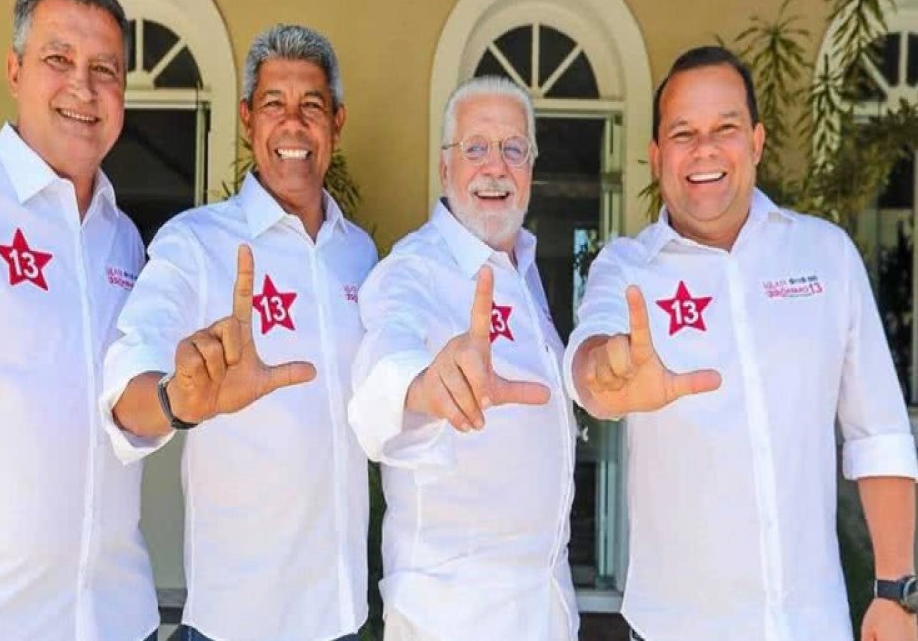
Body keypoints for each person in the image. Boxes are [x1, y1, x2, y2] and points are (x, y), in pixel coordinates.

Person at [565, 45, 918, 641]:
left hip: (812, 625)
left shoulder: (826, 255)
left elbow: (878, 434)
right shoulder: (626, 269)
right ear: (657, 156)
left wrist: (896, 593)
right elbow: (590, 359)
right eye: (683, 133)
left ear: (755, 142)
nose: (705, 149)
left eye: (724, 128)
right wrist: (605, 374)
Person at [101, 24, 377, 641]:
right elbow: (125, 382)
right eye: (274, 103)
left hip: (340, 615)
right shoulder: (196, 244)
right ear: (249, 118)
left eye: (311, 105)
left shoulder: (359, 253)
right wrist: (177, 400)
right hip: (238, 621)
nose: (293, 124)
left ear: (336, 122)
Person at [0, 0, 159, 640]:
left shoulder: (124, 238)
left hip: (119, 618)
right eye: (59, 59)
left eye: (105, 69)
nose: (83, 86)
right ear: (15, 69)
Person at [348, 75, 579, 641]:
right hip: (453, 619)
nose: (495, 166)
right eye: (475, 148)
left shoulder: (522, 267)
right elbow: (381, 368)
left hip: (545, 611)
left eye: (513, 148)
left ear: (530, 168)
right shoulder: (413, 271)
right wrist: (422, 387)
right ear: (444, 168)